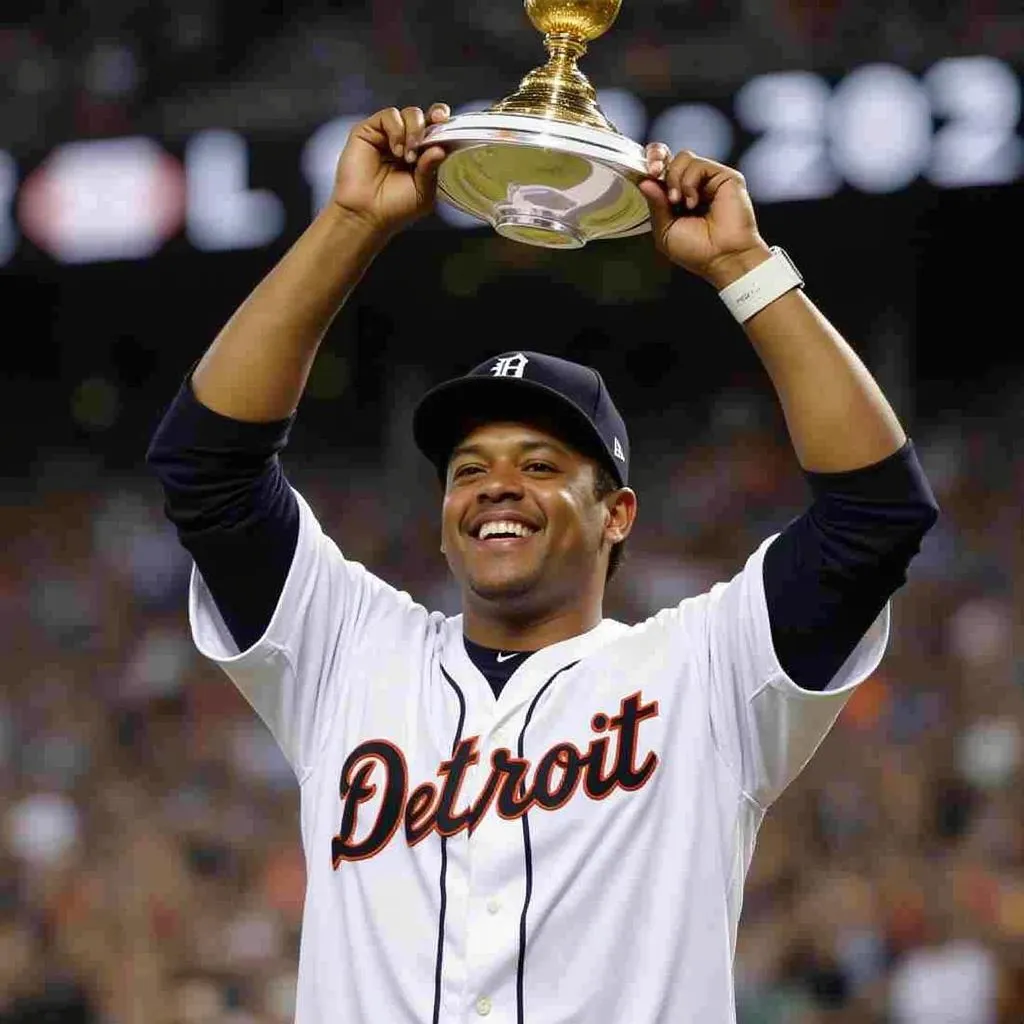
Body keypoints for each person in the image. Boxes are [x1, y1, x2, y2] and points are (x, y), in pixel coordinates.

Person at [147, 102, 939, 1023]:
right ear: (444, 517)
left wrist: (744, 270)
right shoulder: (349, 654)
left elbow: (876, 514)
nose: (496, 487)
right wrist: (351, 227)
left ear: (618, 514)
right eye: (469, 470)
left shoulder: (706, 671)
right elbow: (208, 465)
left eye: (540, 466)